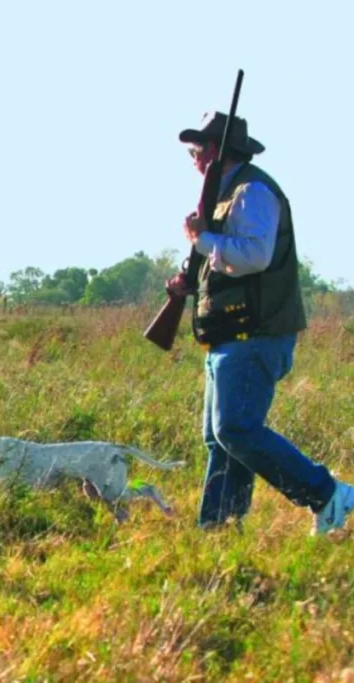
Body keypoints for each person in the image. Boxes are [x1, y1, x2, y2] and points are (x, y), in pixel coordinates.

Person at [166, 111, 353, 534]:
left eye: (197, 150)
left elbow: (253, 256)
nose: (194, 159)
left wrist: (202, 238)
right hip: (229, 335)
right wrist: (188, 280)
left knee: (236, 429)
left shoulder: (252, 191)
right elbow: (227, 266)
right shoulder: (226, 194)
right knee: (222, 439)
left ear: (214, 152)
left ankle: (326, 494)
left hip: (254, 334)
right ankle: (219, 531)